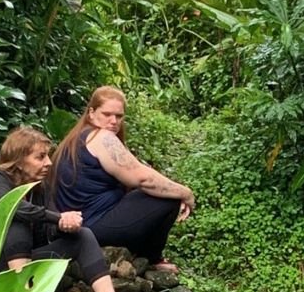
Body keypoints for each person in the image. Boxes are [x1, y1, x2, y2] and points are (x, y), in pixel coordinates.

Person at [0, 126, 147, 292]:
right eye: (40, 157)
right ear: (19, 159)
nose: (48, 163)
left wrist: (67, 225)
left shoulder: (39, 187)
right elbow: (14, 207)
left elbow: (50, 226)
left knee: (83, 235)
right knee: (17, 218)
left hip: (25, 264)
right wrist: (58, 218)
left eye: (48, 156)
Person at [50, 86, 195, 272]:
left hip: (81, 223)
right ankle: (152, 257)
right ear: (91, 113)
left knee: (155, 192)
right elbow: (143, 179)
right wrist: (186, 193)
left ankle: (141, 256)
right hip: (91, 226)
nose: (113, 121)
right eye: (107, 114)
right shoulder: (101, 138)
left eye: (119, 116)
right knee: (168, 198)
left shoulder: (78, 137)